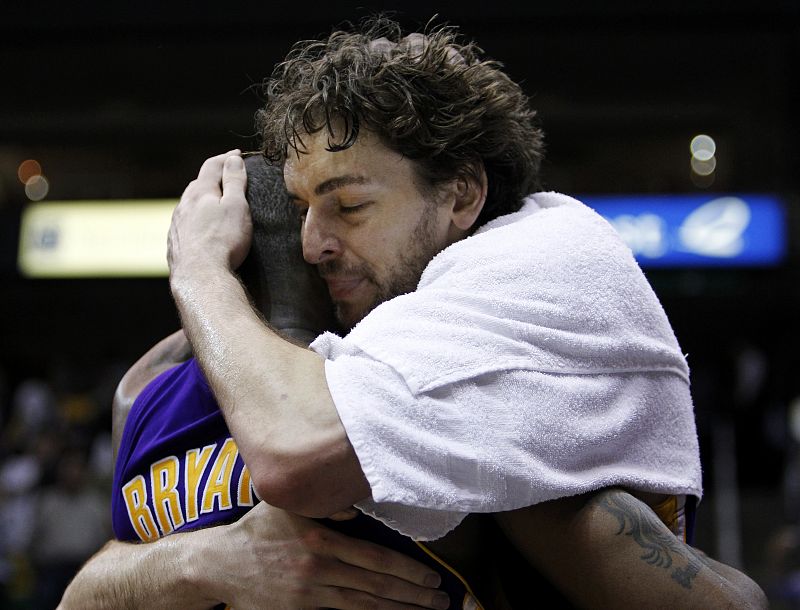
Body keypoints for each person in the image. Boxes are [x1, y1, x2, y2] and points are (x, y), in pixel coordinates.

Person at [61, 17, 768, 609]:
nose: (313, 244)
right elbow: (87, 589)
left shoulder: (517, 297)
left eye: (350, 205)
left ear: (460, 196)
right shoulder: (158, 381)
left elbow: (727, 601)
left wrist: (196, 270)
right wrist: (208, 561)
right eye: (300, 207)